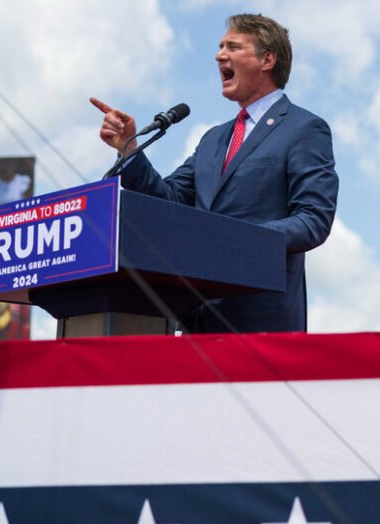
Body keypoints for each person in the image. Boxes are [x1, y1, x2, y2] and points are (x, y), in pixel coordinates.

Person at [91, 14, 339, 333]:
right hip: (198, 321)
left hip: (261, 322)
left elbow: (312, 220)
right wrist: (128, 148)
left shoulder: (304, 128)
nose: (219, 55)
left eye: (232, 47)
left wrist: (235, 242)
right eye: (220, 47)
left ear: (267, 59)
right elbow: (169, 201)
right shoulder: (213, 139)